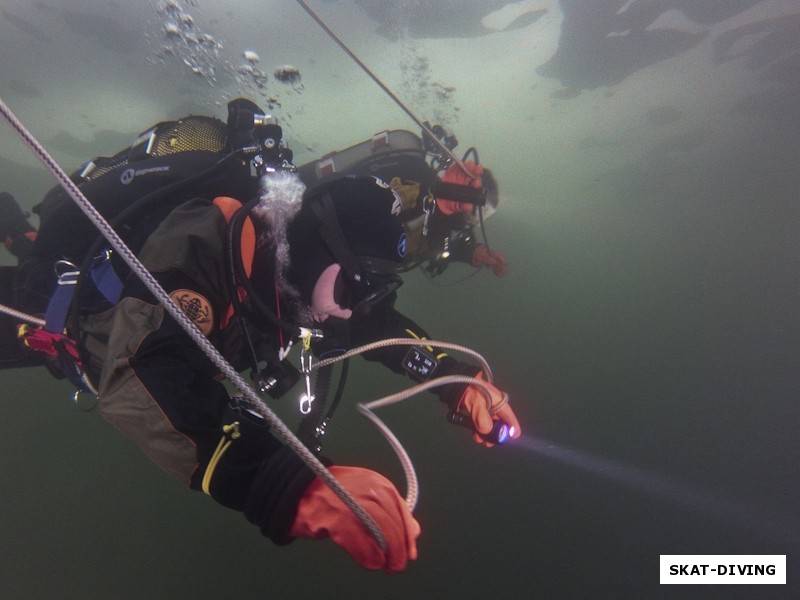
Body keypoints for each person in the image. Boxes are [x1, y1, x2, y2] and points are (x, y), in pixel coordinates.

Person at [0, 99, 521, 572]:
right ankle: (18, 230)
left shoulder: (304, 275)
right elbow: (141, 372)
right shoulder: (202, 243)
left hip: (83, 326)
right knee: (31, 263)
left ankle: (16, 230)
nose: (351, 310)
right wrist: (290, 487)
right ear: (322, 250)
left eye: (370, 291)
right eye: (356, 285)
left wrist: (459, 381)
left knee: (28, 244)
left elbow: (376, 323)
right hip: (43, 310)